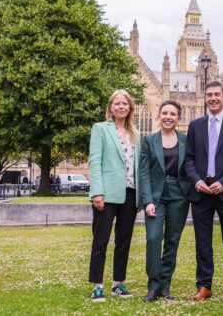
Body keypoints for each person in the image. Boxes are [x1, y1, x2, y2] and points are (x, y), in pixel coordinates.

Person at [185, 81, 223, 302]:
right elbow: (189, 160)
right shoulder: (195, 126)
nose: (213, 98)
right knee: (203, 241)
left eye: (217, 94)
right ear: (205, 98)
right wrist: (197, 181)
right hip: (201, 192)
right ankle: (204, 285)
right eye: (209, 94)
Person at [88, 89, 140, 302]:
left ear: (130, 108)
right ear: (111, 107)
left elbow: (138, 165)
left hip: (130, 192)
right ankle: (97, 285)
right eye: (117, 103)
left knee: (124, 240)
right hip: (107, 193)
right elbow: (95, 160)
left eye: (125, 104)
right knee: (101, 239)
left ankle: (118, 283)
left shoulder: (135, 133)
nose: (121, 106)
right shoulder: (101, 129)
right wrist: (97, 192)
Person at [139, 100, 191, 302]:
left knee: (172, 241)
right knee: (153, 238)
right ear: (158, 116)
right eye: (165, 113)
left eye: (173, 114)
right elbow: (143, 172)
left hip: (179, 194)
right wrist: (147, 200)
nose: (168, 117)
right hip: (156, 196)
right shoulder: (149, 141)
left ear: (178, 118)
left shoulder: (186, 141)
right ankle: (153, 285)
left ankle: (165, 286)